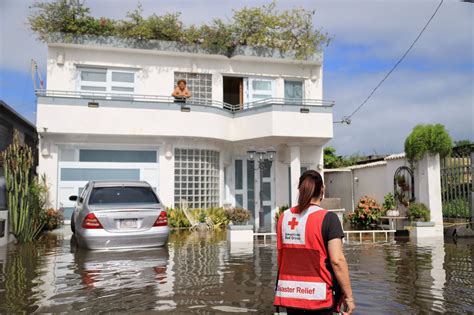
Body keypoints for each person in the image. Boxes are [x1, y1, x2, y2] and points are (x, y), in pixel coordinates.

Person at [274, 170, 355, 315]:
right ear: (322, 191)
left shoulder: (284, 217)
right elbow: (337, 261)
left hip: (290, 293)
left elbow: (281, 255)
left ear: (300, 190)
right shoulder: (329, 219)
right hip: (319, 297)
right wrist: (348, 296)